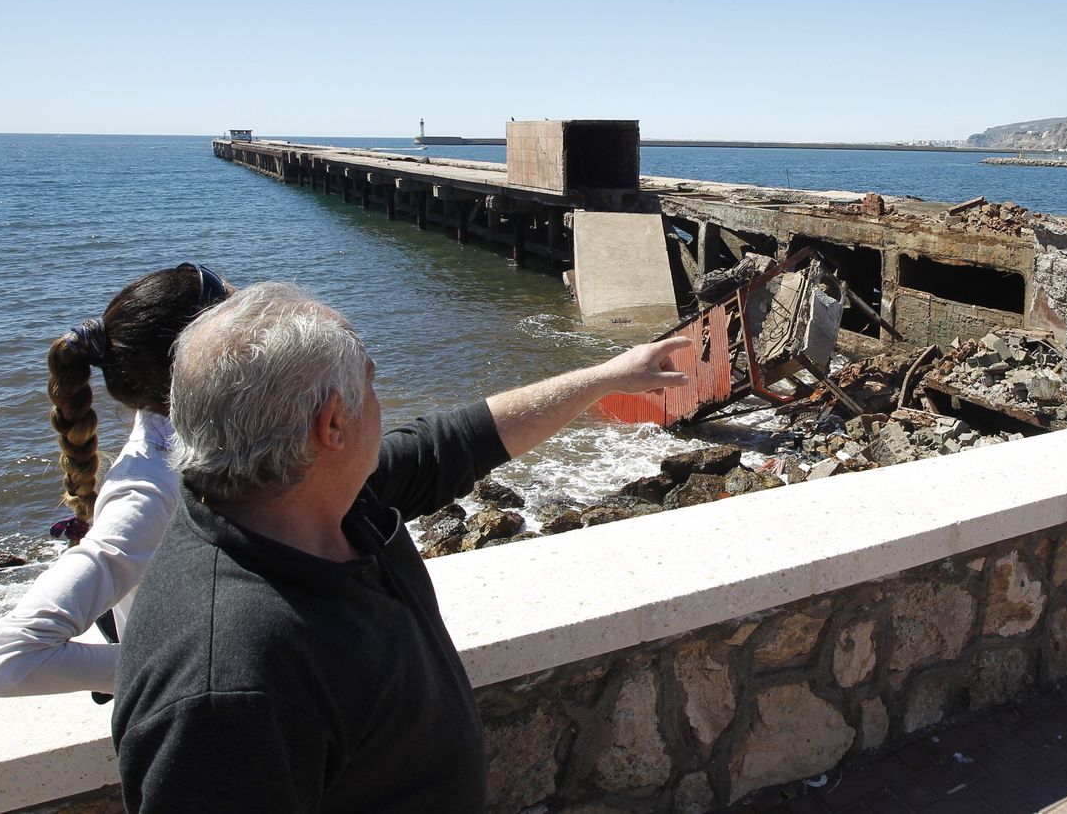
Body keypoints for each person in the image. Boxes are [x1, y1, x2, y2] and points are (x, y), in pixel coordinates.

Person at [111, 281, 691, 813]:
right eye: (370, 381)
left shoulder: (311, 495)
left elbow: (461, 439)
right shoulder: (226, 686)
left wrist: (606, 375)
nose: (380, 401)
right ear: (332, 426)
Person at [0, 263, 232, 698]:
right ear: (198, 361)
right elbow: (9, 661)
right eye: (238, 324)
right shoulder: (150, 489)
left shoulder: (205, 449)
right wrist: (190, 668)